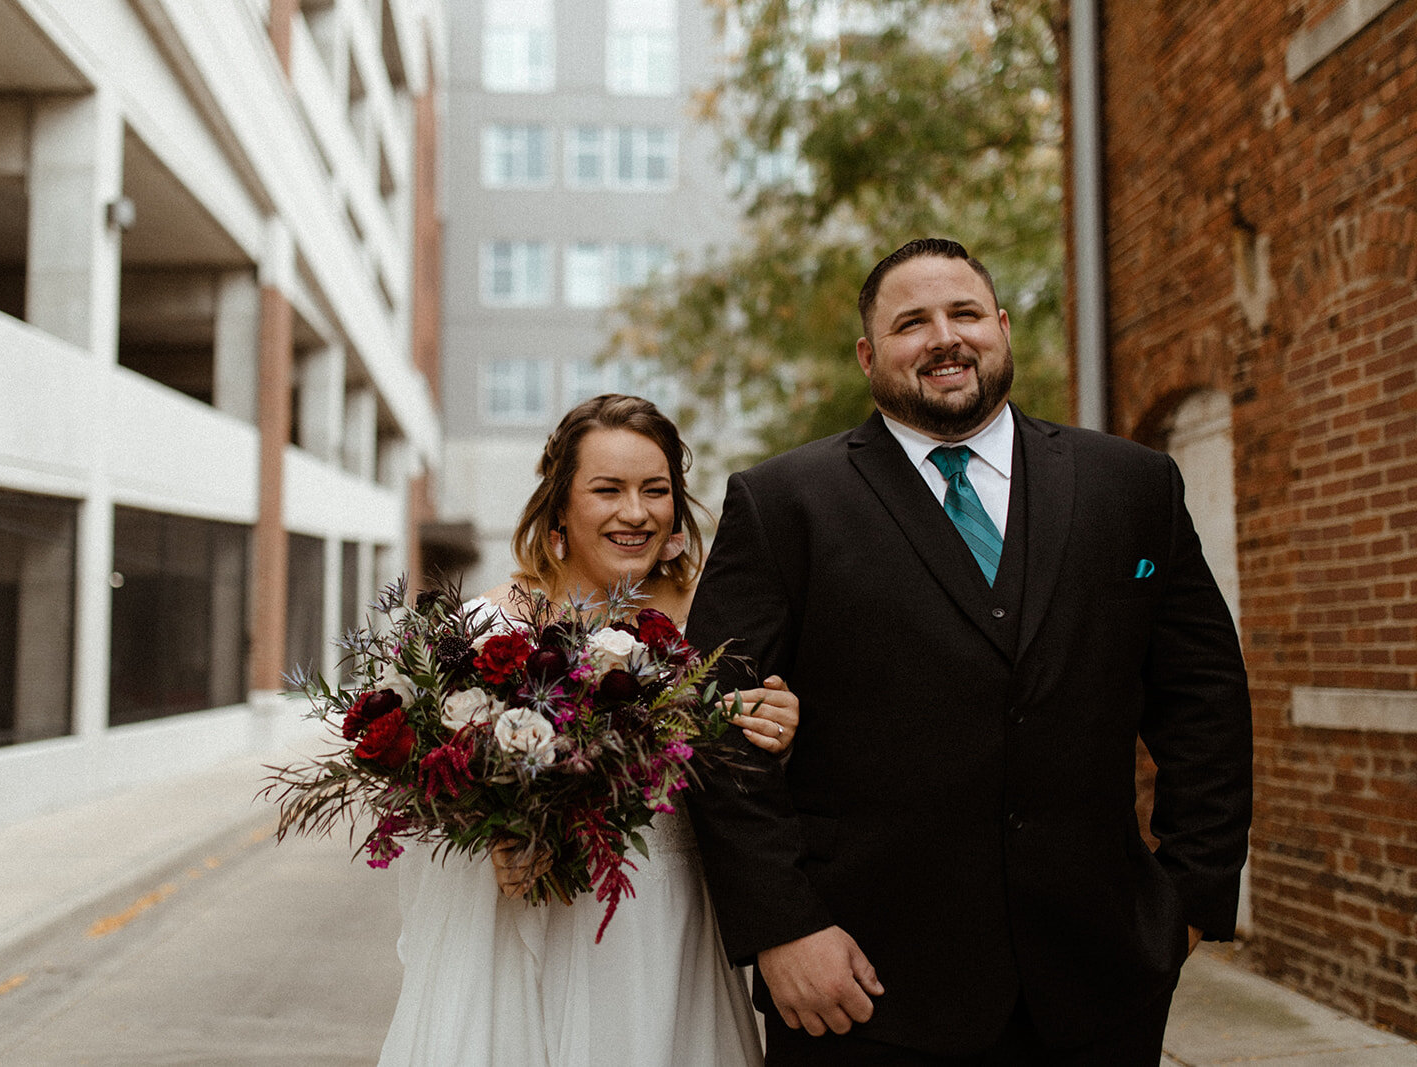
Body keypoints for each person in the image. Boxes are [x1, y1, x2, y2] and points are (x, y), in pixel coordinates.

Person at [684, 238, 1253, 1065]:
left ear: (1003, 327)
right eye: (911, 322)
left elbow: (1205, 698)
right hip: (861, 989)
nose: (944, 338)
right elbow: (716, 727)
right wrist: (783, 925)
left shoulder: (1132, 485)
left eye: (964, 313)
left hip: (1100, 980)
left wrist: (1187, 899)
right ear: (869, 355)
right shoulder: (782, 504)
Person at [378, 393, 799, 1066]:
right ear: (561, 508)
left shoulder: (712, 624)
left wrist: (776, 723)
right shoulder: (488, 630)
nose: (635, 511)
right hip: (529, 925)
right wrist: (496, 833)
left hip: (673, 925)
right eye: (608, 489)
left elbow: (745, 784)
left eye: (655, 490)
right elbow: (429, 793)